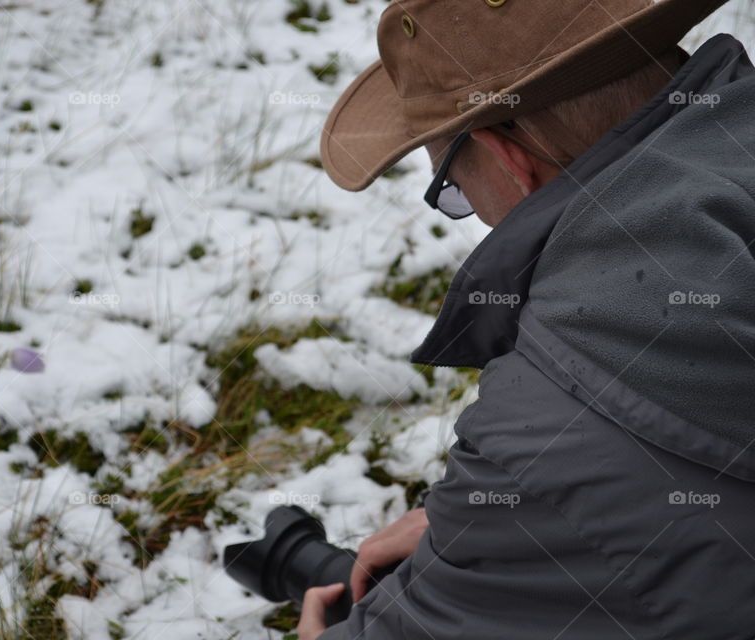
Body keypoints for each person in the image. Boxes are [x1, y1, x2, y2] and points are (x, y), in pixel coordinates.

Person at [300, 0, 755, 638]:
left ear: (507, 158)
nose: (469, 212)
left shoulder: (549, 438)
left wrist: (522, 506)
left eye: (450, 186)